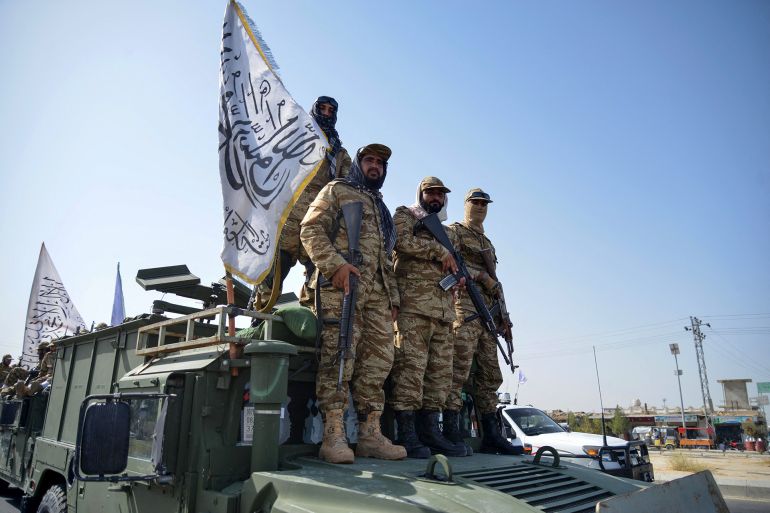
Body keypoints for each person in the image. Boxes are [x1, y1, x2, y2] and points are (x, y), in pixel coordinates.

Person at [300, 143, 405, 464]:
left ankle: (370, 434)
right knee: (339, 354)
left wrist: (393, 298)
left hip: (377, 295)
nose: (375, 166)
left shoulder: (380, 206)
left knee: (379, 362)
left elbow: (385, 257)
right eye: (369, 160)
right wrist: (335, 265)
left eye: (380, 163)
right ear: (359, 164)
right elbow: (310, 229)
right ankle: (334, 434)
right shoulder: (337, 190)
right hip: (341, 288)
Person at [388, 176, 466, 457]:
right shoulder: (405, 214)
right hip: (413, 309)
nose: (436, 198)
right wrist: (438, 250)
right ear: (421, 194)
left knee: (439, 376)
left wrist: (458, 277)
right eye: (430, 193)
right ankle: (407, 434)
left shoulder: (449, 232)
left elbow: (456, 262)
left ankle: (431, 431)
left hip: (445, 313)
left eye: (440, 194)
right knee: (411, 371)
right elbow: (402, 243)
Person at [256, 96, 352, 309]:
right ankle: (259, 319)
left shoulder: (339, 152)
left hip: (318, 222)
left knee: (316, 278)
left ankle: (309, 321)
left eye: (330, 111)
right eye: (322, 109)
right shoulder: (293, 138)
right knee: (271, 276)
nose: (326, 114)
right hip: (287, 219)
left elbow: (347, 184)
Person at [444, 188, 520, 455]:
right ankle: (451, 431)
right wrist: (478, 276)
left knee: (491, 376)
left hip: (488, 314)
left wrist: (503, 318)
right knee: (458, 370)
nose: (479, 207)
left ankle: (491, 435)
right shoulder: (455, 231)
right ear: (465, 205)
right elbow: (449, 263)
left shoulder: (488, 243)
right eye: (475, 202)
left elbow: (496, 285)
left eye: (484, 203)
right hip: (464, 307)